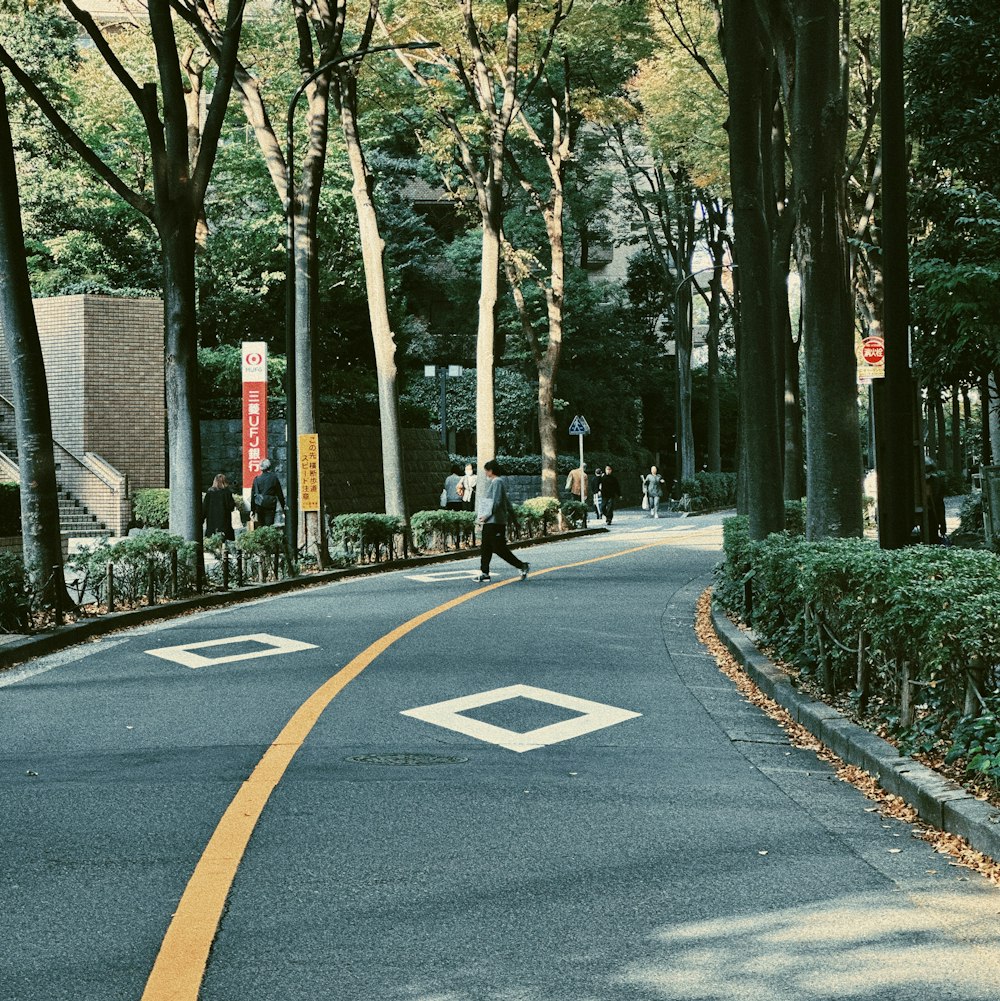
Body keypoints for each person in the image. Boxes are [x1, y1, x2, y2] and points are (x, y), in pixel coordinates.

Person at [475, 459, 529, 583]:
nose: (485, 473)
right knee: (486, 547)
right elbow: (507, 503)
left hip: (495, 521)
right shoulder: (497, 482)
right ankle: (484, 572)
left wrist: (486, 516)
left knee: (499, 548)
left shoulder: (497, 482)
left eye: (486, 471)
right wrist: (514, 520)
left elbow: (498, 502)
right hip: (492, 521)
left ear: (491, 471)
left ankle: (521, 565)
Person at [251, 458, 285, 527]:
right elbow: (279, 494)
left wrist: (252, 510)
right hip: (270, 504)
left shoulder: (256, 479)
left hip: (259, 504)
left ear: (261, 468)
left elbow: (253, 495)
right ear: (269, 466)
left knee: (261, 525)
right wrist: (283, 506)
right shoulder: (274, 478)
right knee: (269, 525)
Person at [203, 473, 235, 541]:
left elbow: (205, 507)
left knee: (212, 537)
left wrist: (202, 518)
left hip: (212, 520)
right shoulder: (227, 492)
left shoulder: (210, 492)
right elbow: (231, 506)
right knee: (225, 538)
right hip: (224, 520)